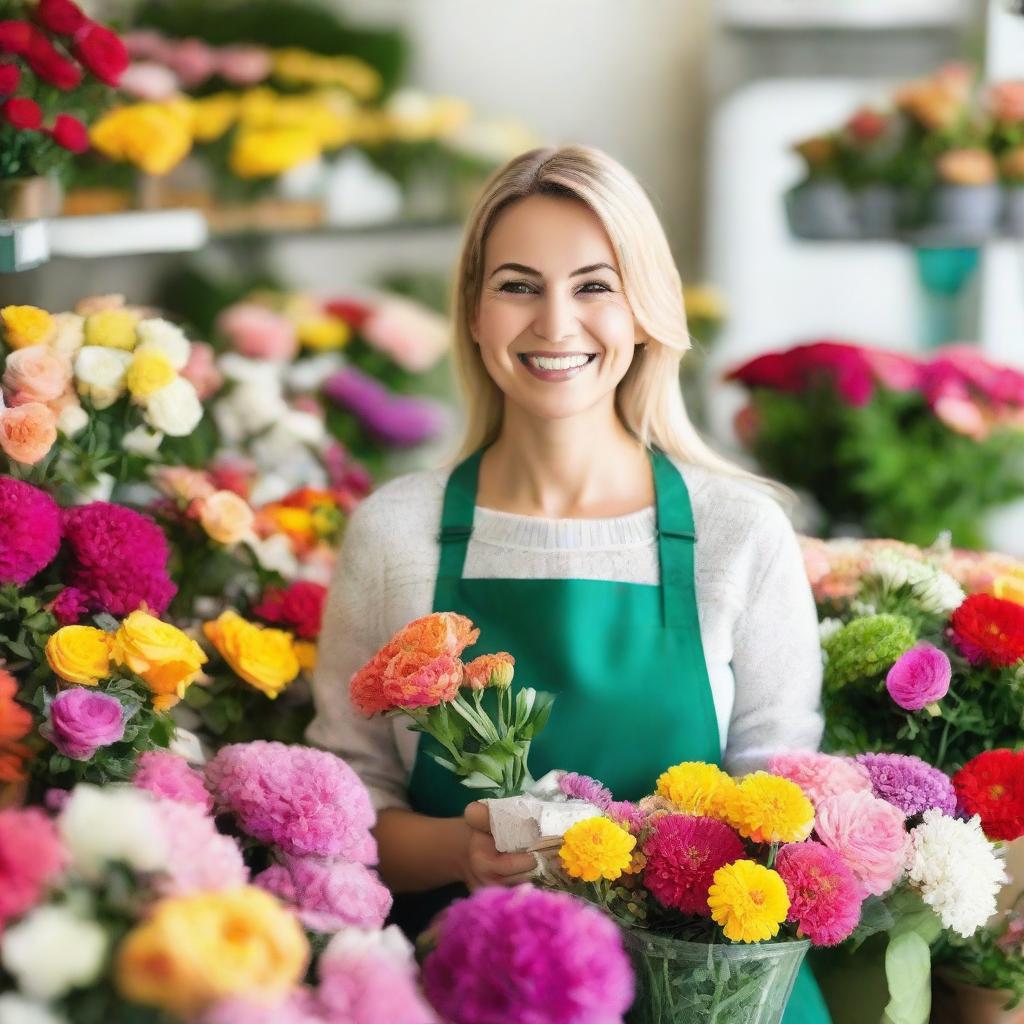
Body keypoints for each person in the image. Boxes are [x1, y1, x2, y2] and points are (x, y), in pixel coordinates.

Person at [308, 144, 830, 1023]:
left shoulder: (737, 533)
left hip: (706, 992)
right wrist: (459, 851)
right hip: (471, 988)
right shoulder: (398, 531)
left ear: (645, 310)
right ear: (474, 312)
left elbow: (786, 809)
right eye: (517, 285)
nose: (556, 323)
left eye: (594, 285)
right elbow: (344, 809)